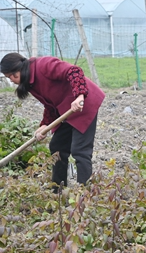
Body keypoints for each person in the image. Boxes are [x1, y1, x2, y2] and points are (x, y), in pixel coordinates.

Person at [1, 53, 105, 191]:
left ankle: (85, 196)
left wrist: (79, 96)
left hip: (83, 104)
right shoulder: (31, 83)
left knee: (80, 151)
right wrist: (44, 125)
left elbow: (73, 71)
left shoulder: (43, 65)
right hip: (67, 110)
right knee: (57, 147)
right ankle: (57, 191)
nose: (11, 81)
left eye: (11, 76)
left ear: (18, 69)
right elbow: (50, 105)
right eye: (8, 78)